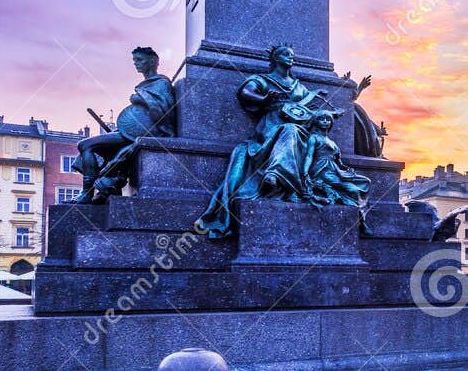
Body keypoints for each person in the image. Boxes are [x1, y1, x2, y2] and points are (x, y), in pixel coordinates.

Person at [197, 43, 370, 238]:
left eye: (292, 55)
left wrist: (329, 113)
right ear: (275, 59)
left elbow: (309, 112)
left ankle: (280, 178)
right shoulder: (263, 80)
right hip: (272, 127)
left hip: (299, 127)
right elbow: (246, 92)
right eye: (286, 54)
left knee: (295, 131)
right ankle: (276, 176)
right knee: (289, 130)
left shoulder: (299, 86)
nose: (290, 57)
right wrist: (263, 99)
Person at [77, 47, 176, 202]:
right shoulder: (146, 85)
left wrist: (140, 99)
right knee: (95, 149)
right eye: (134, 60)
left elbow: (164, 112)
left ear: (152, 61)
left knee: (85, 145)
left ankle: (87, 193)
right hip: (130, 132)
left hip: (146, 133)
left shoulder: (161, 83)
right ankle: (107, 190)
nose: (136, 63)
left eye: (139, 60)